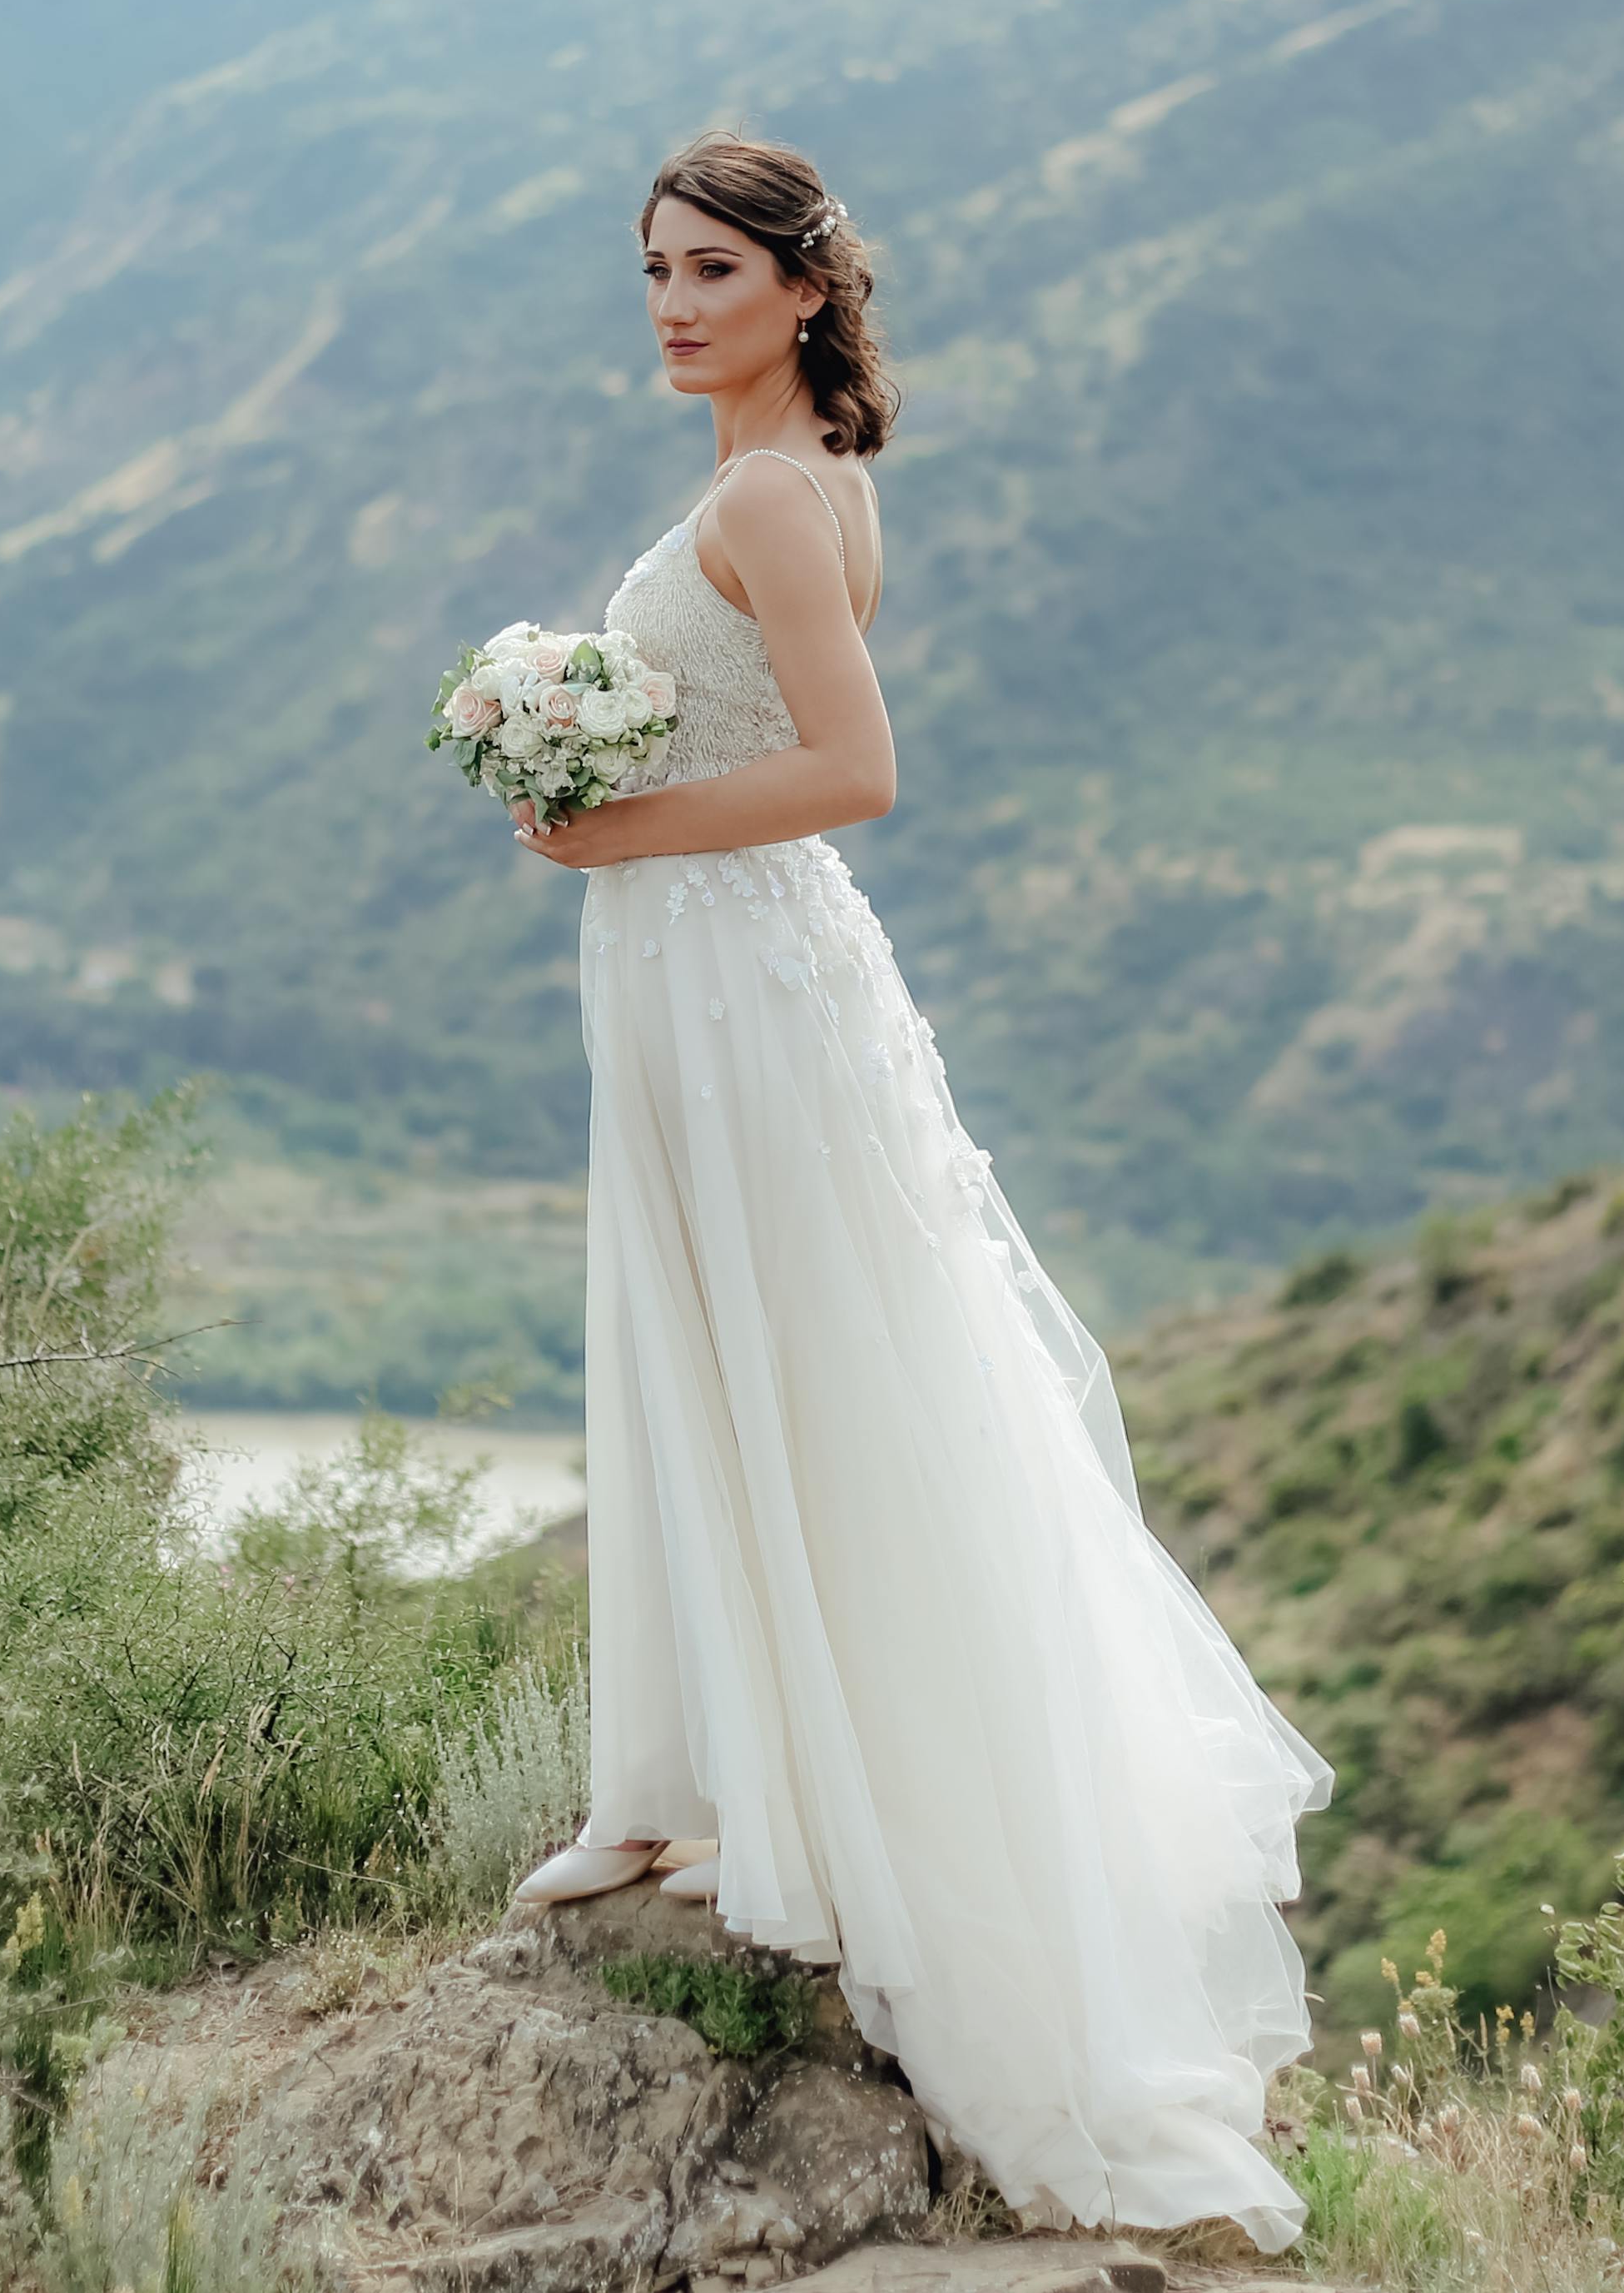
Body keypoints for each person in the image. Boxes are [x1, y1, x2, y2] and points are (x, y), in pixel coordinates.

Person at [499, 132, 1333, 2247]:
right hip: (715, 966)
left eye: (708, 270)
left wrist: (611, 824)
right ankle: (691, 1794)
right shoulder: (790, 486)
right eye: (652, 272)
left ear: (799, 290)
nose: (671, 303)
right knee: (729, 1351)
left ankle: (764, 1811)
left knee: (789, 1366)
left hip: (739, 964)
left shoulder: (776, 495)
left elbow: (858, 769)